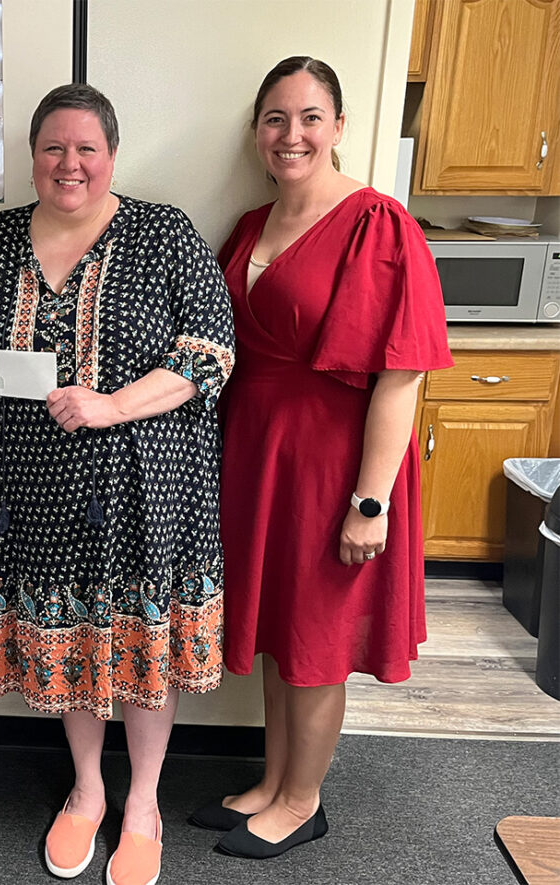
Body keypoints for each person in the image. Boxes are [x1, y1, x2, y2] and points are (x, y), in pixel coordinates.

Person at [0, 84, 234, 885]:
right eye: (53, 147)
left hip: (144, 486)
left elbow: (210, 354)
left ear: (112, 155)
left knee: (141, 644)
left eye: (86, 149)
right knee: (69, 638)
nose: (69, 163)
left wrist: (112, 404)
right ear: (32, 156)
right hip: (32, 488)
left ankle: (142, 802)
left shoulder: (163, 233)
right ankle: (87, 789)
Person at [187, 56, 452, 860]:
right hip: (257, 458)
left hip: (334, 466)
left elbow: (402, 374)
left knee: (318, 640)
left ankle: (304, 801)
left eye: (309, 117)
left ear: (339, 127)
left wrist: (371, 500)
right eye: (275, 118)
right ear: (257, 133)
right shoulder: (250, 225)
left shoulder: (380, 224)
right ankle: (274, 781)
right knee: (280, 629)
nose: (291, 134)